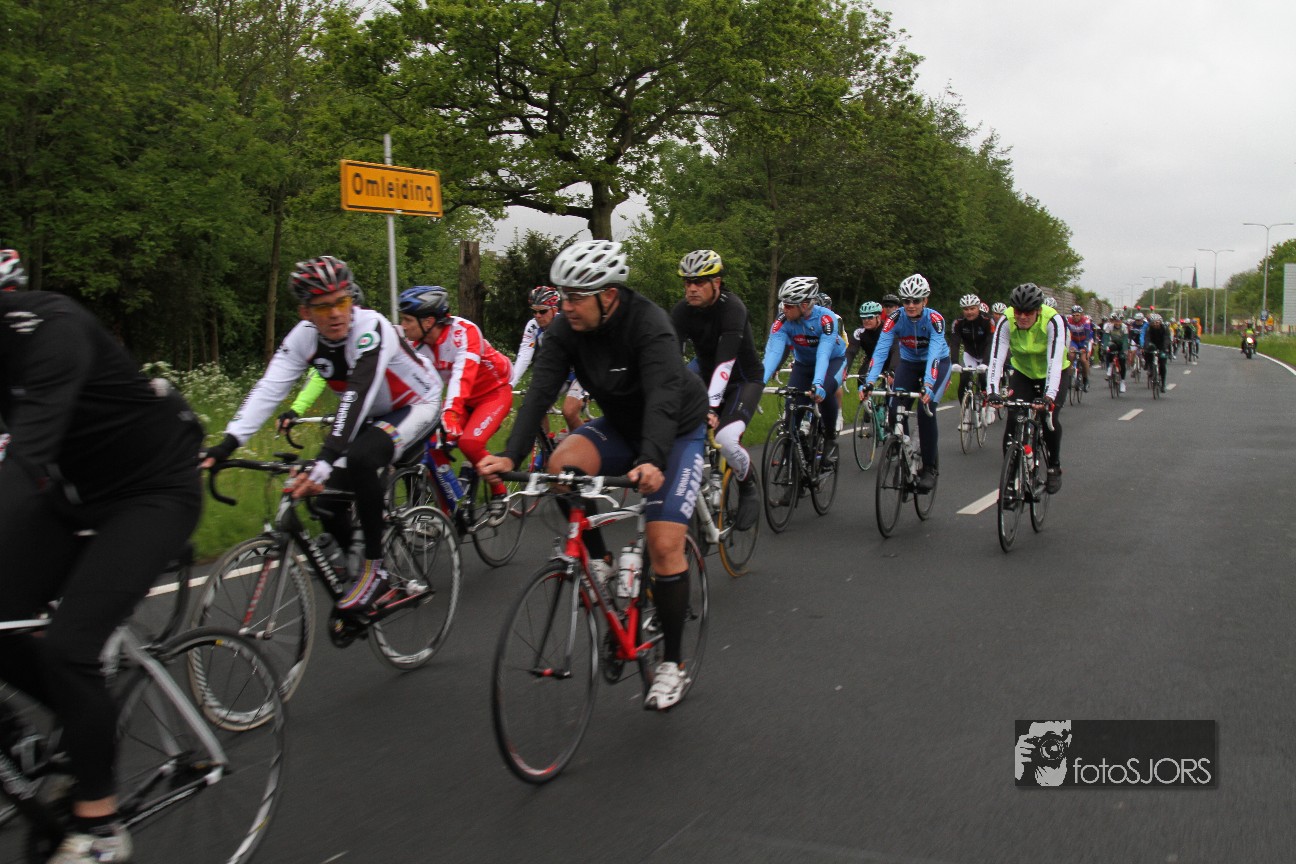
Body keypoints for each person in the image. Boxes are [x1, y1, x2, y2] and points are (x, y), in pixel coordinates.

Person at [0, 275, 204, 863]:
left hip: (151, 493)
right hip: (74, 496)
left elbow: (24, 463)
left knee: (70, 648)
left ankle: (102, 829)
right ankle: (80, 727)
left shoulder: (53, 330)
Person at [478, 240, 709, 711]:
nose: (566, 306)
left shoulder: (650, 325)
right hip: (621, 426)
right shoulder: (566, 328)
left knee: (665, 545)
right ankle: (600, 561)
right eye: (563, 296)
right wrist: (510, 454)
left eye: (576, 297)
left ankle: (673, 664)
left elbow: (664, 397)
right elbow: (541, 389)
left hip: (675, 431)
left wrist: (651, 459)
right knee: (561, 469)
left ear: (609, 295)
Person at [202, 256, 442, 618]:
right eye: (323, 306)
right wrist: (228, 443)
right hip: (371, 413)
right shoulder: (303, 338)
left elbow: (357, 394)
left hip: (416, 404)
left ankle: (374, 572)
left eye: (341, 302)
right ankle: (357, 565)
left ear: (351, 299)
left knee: (361, 459)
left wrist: (326, 459)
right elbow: (269, 389)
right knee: (326, 502)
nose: (335, 314)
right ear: (305, 312)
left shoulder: (371, 326)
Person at [670, 249, 762, 530]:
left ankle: (747, 484)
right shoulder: (682, 311)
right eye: (687, 282)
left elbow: (725, 362)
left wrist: (709, 407)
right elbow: (670, 358)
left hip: (742, 381)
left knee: (726, 438)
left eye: (699, 282)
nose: (692, 288)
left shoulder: (733, 308)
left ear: (717, 283)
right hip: (707, 375)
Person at [397, 286, 514, 509]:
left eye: (407, 320)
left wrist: (451, 412)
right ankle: (450, 505)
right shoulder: (415, 345)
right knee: (430, 443)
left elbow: (463, 375)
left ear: (428, 321)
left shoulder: (464, 332)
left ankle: (499, 491)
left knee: (470, 443)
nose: (403, 326)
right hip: (463, 400)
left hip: (493, 394)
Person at [859, 274, 952, 492]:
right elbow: (881, 351)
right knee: (895, 409)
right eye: (906, 301)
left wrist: (928, 384)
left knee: (925, 409)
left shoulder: (935, 319)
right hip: (909, 363)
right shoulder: (894, 318)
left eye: (916, 301)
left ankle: (929, 467)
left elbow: (934, 355)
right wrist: (869, 382)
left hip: (937, 363)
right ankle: (905, 452)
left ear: (925, 300)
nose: (910, 305)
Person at [985, 282, 1071, 493]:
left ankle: (1054, 467)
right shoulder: (1006, 320)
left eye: (1028, 313)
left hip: (1054, 374)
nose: (1022, 317)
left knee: (1049, 419)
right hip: (1023, 373)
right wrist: (992, 391)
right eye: (1018, 312)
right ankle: (1011, 478)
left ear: (1038, 310)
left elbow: (1054, 361)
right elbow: (996, 358)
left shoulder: (1053, 321)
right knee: (1013, 420)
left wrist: (1049, 395)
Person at [761, 277, 847, 448]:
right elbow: (773, 353)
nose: (784, 309)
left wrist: (818, 383)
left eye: (789, 306)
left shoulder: (826, 318)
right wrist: (759, 382)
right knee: (792, 407)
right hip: (803, 364)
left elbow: (823, 354)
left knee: (824, 393)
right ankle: (792, 446)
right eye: (783, 304)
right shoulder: (783, 321)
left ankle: (830, 438)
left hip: (832, 361)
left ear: (805, 305)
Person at [509, 286, 589, 432]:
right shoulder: (533, 326)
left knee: (569, 412)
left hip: (580, 372)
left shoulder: (568, 323)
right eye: (534, 311)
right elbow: (524, 355)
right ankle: (546, 445)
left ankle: (588, 443)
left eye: (542, 311)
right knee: (535, 409)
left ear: (554, 309)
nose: (537, 316)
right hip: (559, 373)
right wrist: (510, 383)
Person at [949, 293, 993, 427]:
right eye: (966, 309)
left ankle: (989, 406)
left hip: (986, 353)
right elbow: (955, 342)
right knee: (964, 380)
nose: (969, 312)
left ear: (978, 308)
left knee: (984, 379)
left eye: (972, 308)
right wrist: (954, 362)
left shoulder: (987, 321)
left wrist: (985, 363)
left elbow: (991, 343)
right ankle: (966, 413)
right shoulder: (958, 322)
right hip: (970, 354)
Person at [1064, 305, 1094, 391]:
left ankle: (1085, 379)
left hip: (1084, 341)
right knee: (1071, 356)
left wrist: (1085, 346)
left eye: (1077, 315)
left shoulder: (1086, 321)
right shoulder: (1069, 321)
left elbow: (1087, 335)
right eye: (1073, 315)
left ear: (1081, 315)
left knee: (1083, 360)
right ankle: (1069, 378)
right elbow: (1066, 333)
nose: (1075, 317)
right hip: (1074, 341)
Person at [1140, 313, 1171, 393]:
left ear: (1160, 322)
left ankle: (1163, 384)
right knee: (1147, 353)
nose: (1155, 324)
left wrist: (1165, 348)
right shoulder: (1149, 329)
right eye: (1153, 323)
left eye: (1157, 322)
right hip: (1152, 344)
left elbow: (1167, 339)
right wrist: (1146, 346)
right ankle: (1150, 367)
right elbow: (1147, 339)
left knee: (1162, 364)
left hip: (1162, 345)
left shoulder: (1165, 328)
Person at [1103, 315, 1129, 393]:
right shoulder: (1109, 327)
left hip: (1121, 344)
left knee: (1122, 360)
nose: (1117, 323)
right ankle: (1110, 366)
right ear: (1113, 321)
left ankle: (1122, 382)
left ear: (1121, 321)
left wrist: (1125, 350)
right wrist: (1105, 347)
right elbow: (1106, 338)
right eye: (1116, 321)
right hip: (1113, 343)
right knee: (1109, 351)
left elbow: (1125, 340)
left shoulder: (1124, 327)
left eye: (1119, 321)